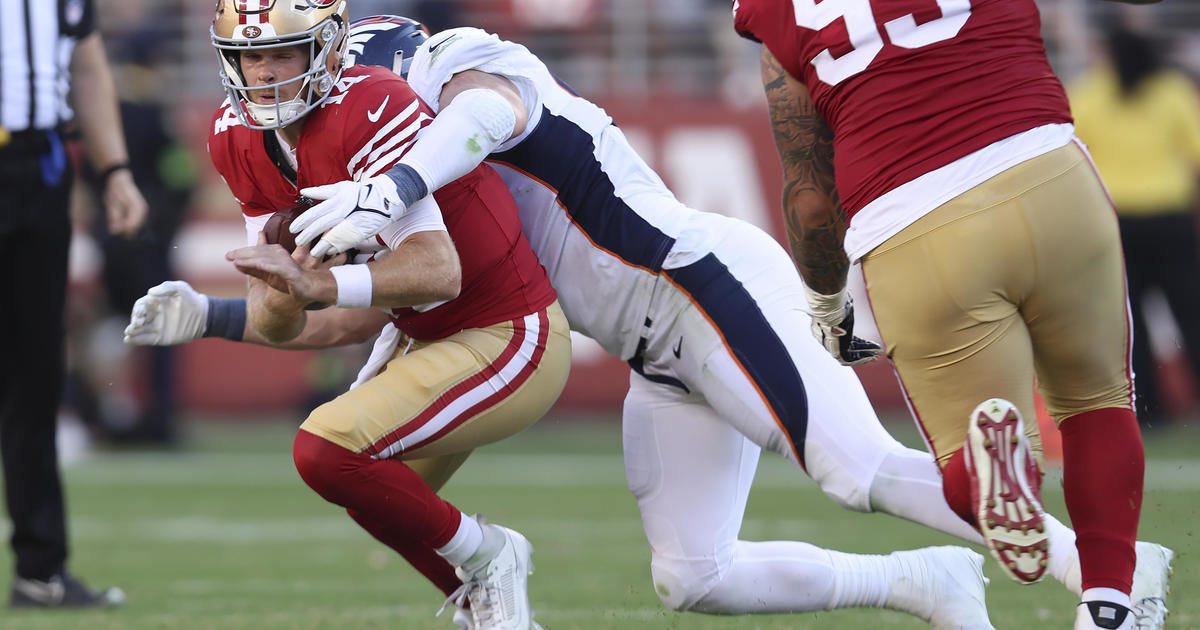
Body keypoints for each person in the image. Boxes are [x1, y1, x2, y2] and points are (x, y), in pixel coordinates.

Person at [229, 15, 1167, 626]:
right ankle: (924, 581)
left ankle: (1115, 572)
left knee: (856, 471)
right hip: (654, 350)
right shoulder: (393, 145)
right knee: (694, 576)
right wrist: (234, 308)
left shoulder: (460, 79)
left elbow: (482, 117)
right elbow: (412, 287)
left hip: (704, 287)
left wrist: (390, 181)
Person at [733, 0, 1168, 628]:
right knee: (1097, 401)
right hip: (1049, 172)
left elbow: (809, 199)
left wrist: (829, 305)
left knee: (965, 463)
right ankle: (1109, 605)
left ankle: (998, 468)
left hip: (911, 219)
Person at [203, 3, 573, 628]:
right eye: (249, 57)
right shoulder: (235, 138)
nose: (262, 74)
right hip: (423, 337)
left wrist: (317, 282)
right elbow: (276, 320)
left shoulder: (372, 104)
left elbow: (438, 271)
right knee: (372, 493)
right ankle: (489, 612)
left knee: (326, 451)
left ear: (324, 49)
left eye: (282, 54)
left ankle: (492, 557)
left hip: (507, 331)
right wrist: (285, 294)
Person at [0, 0, 146, 608]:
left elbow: (86, 64)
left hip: (40, 167)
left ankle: (41, 569)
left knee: (34, 376)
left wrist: (114, 169)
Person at [1069, 24, 1200, 430]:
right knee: (1191, 314)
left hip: (1116, 222)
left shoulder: (1089, 93)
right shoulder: (1172, 91)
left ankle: (1151, 413)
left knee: (1130, 322)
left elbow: (1073, 160)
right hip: (1170, 218)